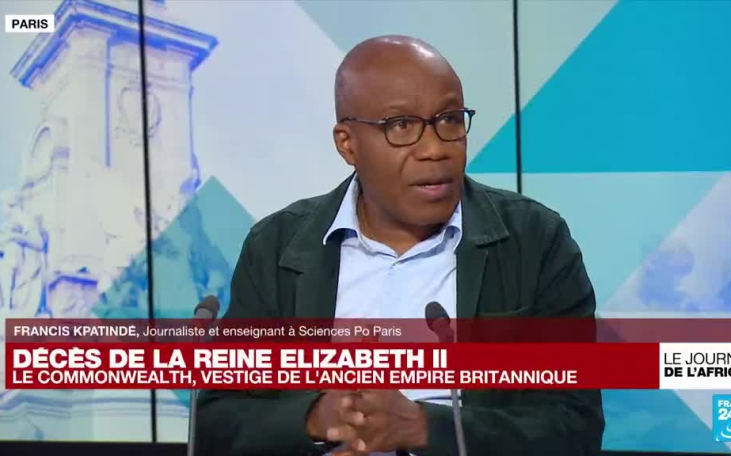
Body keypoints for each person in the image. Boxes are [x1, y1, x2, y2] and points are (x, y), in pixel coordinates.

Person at [196, 35, 604, 456]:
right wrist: (317, 417)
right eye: (401, 126)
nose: (435, 149)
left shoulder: (534, 242)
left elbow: (574, 425)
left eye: (450, 120)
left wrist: (424, 427)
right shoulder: (277, 248)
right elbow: (216, 419)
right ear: (348, 144)